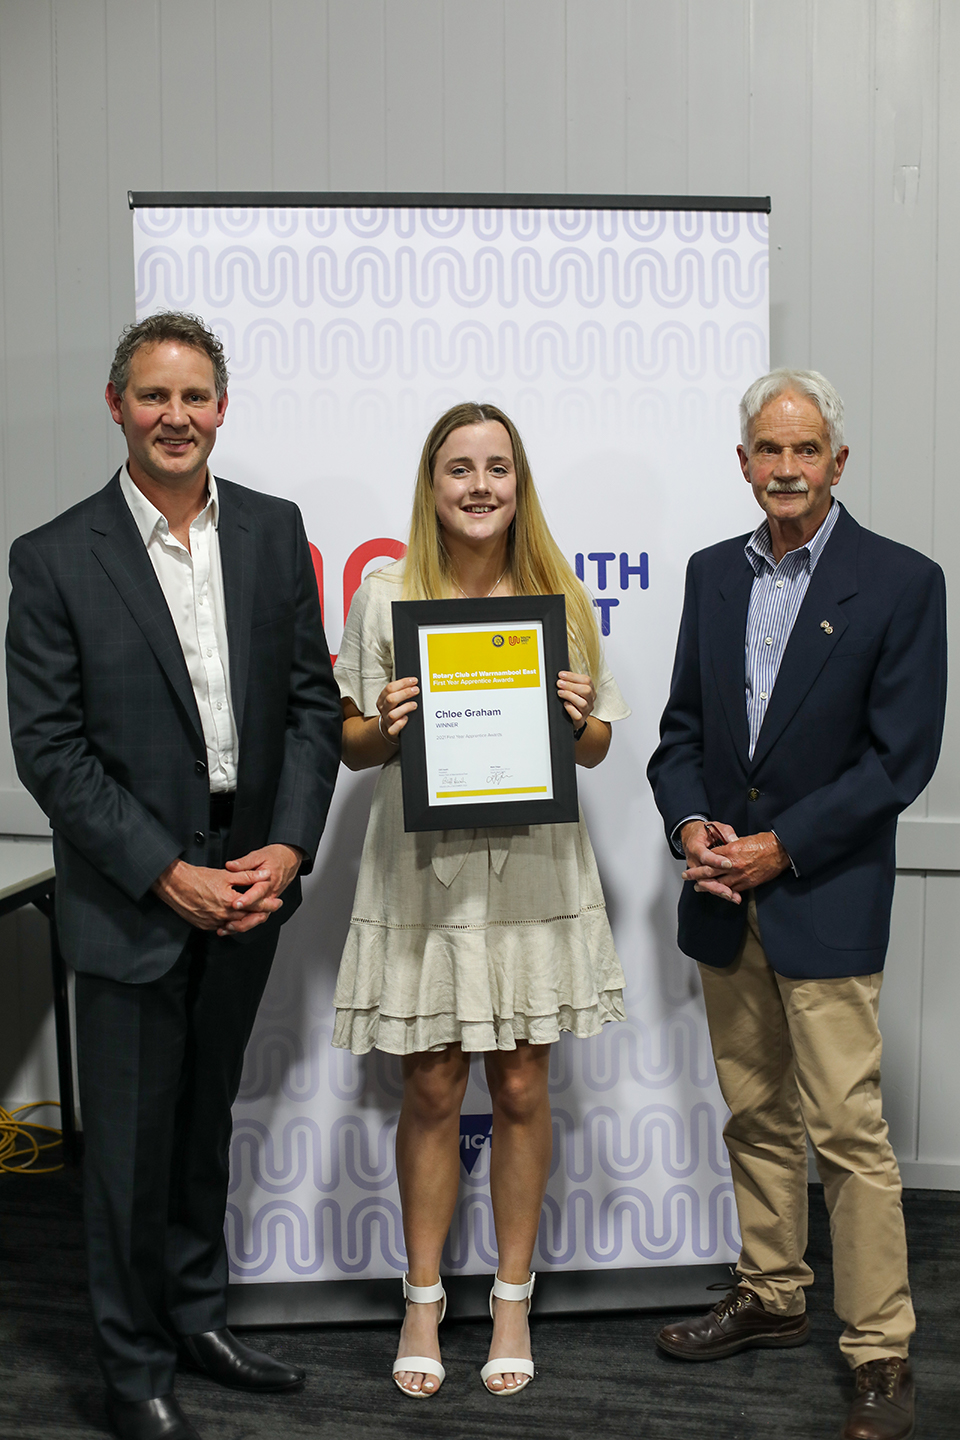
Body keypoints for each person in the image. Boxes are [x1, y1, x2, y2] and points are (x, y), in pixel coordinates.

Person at [6, 312, 342, 1440]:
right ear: (117, 407)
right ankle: (132, 1367)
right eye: (154, 396)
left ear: (222, 408)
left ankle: (197, 1315)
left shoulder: (270, 530)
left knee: (203, 1123)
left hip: (252, 876)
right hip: (130, 896)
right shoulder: (53, 557)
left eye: (195, 396)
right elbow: (49, 748)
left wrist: (288, 847)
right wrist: (163, 873)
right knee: (128, 1156)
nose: (176, 417)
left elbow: (308, 704)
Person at [647, 368, 946, 1440]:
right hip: (725, 899)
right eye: (768, 453)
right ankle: (772, 1296)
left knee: (849, 1135)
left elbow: (898, 762)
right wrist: (692, 828)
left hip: (822, 895)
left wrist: (783, 847)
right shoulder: (708, 576)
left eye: (805, 450)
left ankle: (878, 1346)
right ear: (743, 463)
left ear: (837, 461)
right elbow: (680, 733)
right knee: (756, 1114)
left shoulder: (904, 582)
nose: (785, 469)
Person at [333, 401, 629, 1398]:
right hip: (423, 868)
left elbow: (593, 747)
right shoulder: (384, 598)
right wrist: (383, 722)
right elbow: (351, 743)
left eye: (496, 467)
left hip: (532, 865)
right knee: (430, 1084)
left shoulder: (560, 595)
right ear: (432, 484)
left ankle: (511, 1297)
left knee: (520, 1089)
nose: (478, 485)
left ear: (519, 482)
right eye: (458, 467)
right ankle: (423, 1295)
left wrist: (581, 720)